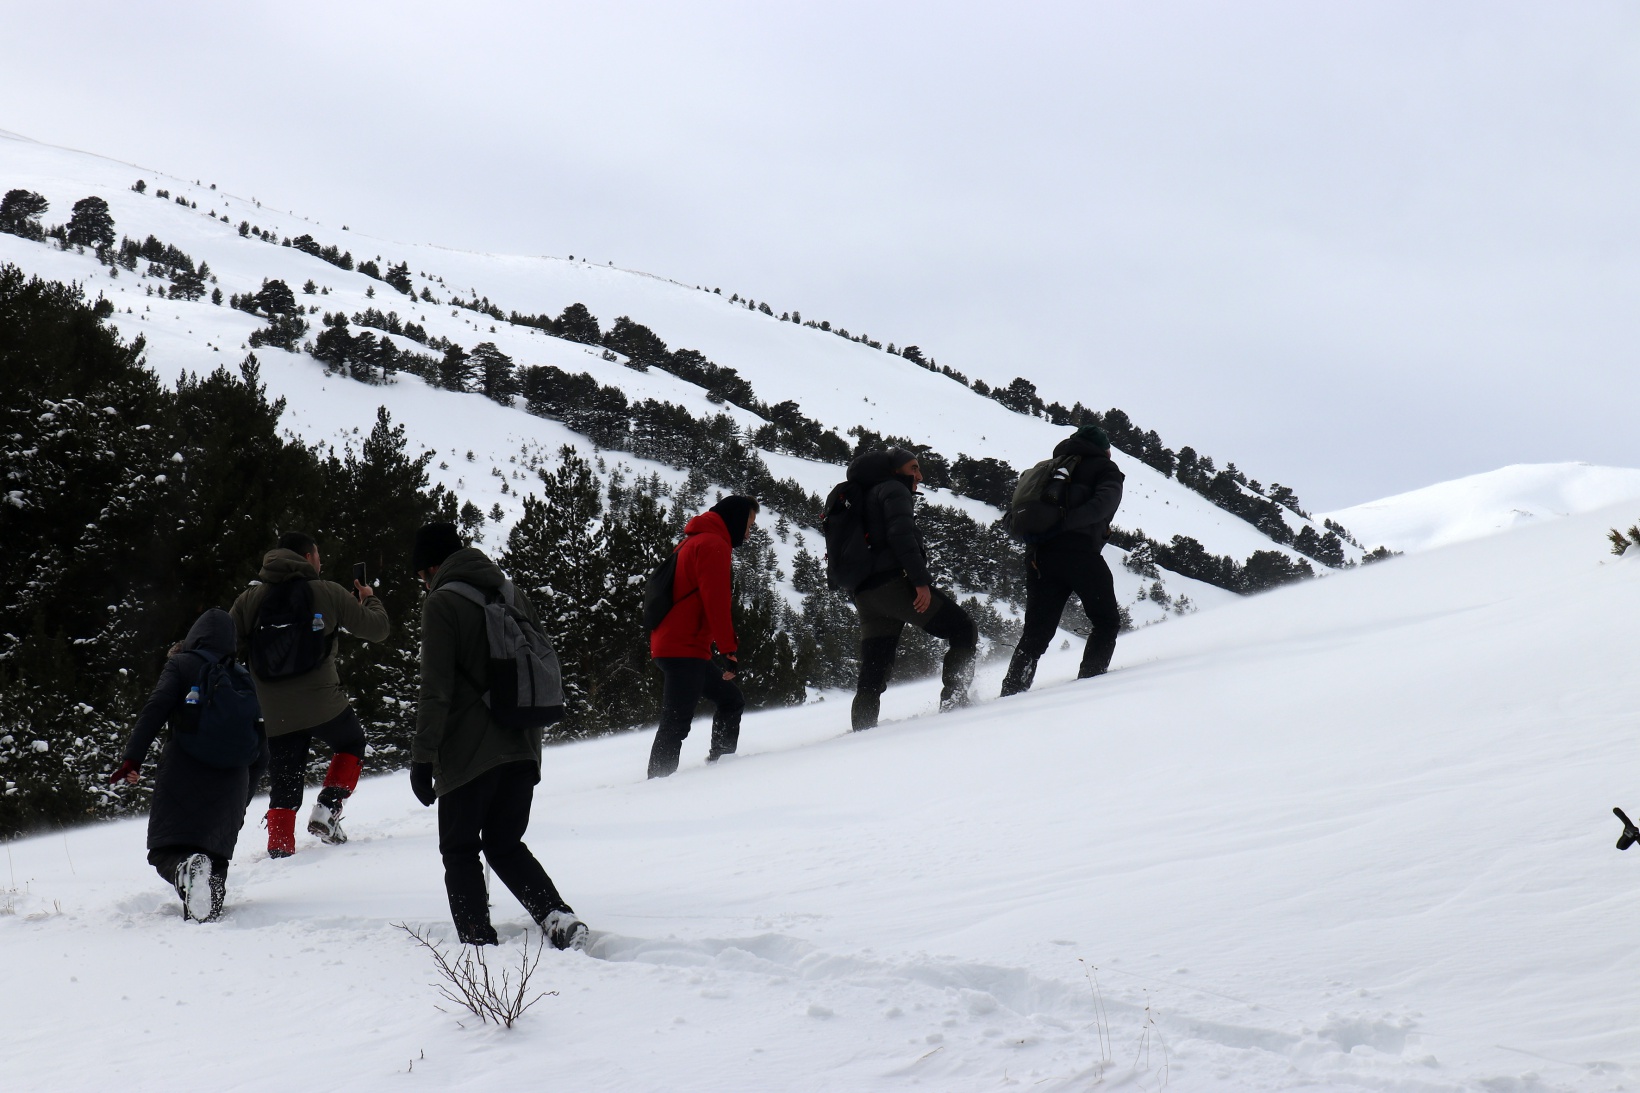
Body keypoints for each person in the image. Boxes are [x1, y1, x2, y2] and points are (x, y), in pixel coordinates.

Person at [408, 522, 588, 951]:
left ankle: (478, 944)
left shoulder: (442, 603)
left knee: (459, 847)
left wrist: (422, 758)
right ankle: (560, 920)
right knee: (505, 843)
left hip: (470, 752)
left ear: (432, 567)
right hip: (524, 744)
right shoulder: (511, 592)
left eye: (421, 576)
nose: (422, 584)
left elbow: (436, 689)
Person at [229, 531, 390, 857]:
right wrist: (369, 598)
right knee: (351, 743)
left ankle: (279, 846)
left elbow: (224, 645)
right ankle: (328, 808)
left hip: (275, 711)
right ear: (306, 558)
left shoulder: (251, 599)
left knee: (285, 779)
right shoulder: (328, 592)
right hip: (323, 702)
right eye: (317, 556)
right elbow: (378, 629)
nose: (321, 561)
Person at [109, 608, 269, 922]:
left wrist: (132, 758)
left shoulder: (182, 664)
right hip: (233, 781)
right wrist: (242, 802)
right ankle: (208, 902)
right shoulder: (244, 677)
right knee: (216, 859)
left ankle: (186, 870)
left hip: (184, 769)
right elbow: (261, 749)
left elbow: (155, 709)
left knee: (164, 850)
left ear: (194, 637)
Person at [849, 448, 978, 731]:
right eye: (913, 468)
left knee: (875, 667)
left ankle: (862, 729)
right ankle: (954, 702)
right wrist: (921, 582)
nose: (919, 475)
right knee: (962, 629)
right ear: (895, 470)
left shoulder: (863, 497)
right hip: (893, 585)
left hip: (864, 594)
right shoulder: (894, 490)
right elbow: (901, 536)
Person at [1000, 423, 1126, 695]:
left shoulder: (1049, 467)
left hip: (1038, 558)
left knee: (1036, 634)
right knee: (1106, 621)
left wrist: (1046, 533)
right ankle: (1090, 683)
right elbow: (1103, 504)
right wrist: (1066, 525)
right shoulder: (1105, 469)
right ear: (1104, 450)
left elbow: (1013, 515)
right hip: (1079, 553)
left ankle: (1011, 691)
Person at [646, 496, 758, 778]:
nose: (747, 533)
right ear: (734, 519)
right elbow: (716, 602)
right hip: (684, 648)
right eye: (748, 525)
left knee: (730, 700)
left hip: (674, 644)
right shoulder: (712, 545)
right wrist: (729, 649)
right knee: (676, 722)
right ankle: (655, 785)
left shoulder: (691, 541)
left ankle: (720, 765)